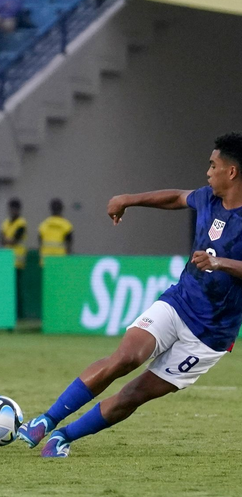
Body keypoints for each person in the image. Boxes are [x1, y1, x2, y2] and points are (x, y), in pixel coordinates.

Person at [18, 133, 242, 458]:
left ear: (231, 172)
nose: (207, 172)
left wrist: (220, 263)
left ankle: (63, 438)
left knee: (135, 393)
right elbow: (176, 198)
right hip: (178, 304)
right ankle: (46, 420)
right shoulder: (208, 198)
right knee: (125, 358)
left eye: (213, 165)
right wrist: (129, 199)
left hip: (211, 336)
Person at [0, 198, 26, 317]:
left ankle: (19, 315)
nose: (13, 211)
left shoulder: (21, 223)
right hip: (7, 261)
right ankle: (11, 314)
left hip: (18, 262)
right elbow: (2, 239)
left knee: (18, 290)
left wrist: (8, 240)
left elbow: (15, 240)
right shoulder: (6, 223)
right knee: (8, 290)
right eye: (11, 208)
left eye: (15, 209)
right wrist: (8, 240)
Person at [38, 198, 72, 265]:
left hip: (46, 260)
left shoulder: (44, 224)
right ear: (62, 209)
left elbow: (40, 242)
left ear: (51, 209)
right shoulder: (66, 225)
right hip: (60, 260)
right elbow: (69, 244)